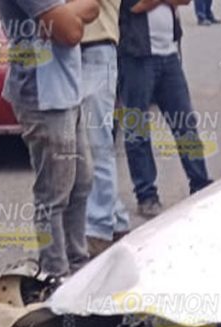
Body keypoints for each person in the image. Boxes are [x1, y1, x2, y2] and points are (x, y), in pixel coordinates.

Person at [0, 0, 99, 277]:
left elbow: (93, 7)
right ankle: (55, 275)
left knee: (81, 182)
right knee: (53, 195)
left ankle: (78, 265)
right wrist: (65, 18)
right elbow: (71, 33)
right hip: (43, 98)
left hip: (67, 93)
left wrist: (65, 16)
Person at [119, 0, 213, 217]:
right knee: (138, 129)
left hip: (169, 55)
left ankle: (200, 183)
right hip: (137, 56)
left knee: (185, 124)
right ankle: (146, 195)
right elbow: (136, 6)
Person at [82, 0, 131, 256]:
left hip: (96, 48)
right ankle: (117, 220)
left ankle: (99, 229)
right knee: (90, 145)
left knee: (96, 145)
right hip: (80, 51)